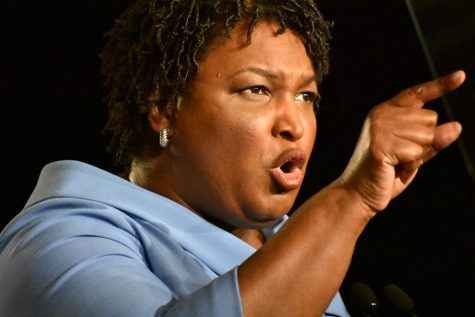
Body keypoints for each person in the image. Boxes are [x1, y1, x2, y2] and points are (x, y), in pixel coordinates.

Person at [0, 0, 466, 316]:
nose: (295, 124)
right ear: (164, 107)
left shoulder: (291, 242)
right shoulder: (53, 238)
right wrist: (350, 200)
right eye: (257, 89)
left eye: (306, 96)